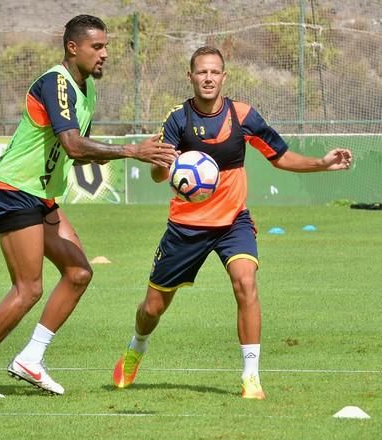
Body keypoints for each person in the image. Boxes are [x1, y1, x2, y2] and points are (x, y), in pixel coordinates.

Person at [0, 14, 177, 398]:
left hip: (42, 196)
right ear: (73, 47)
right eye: (97, 47)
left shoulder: (87, 90)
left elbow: (78, 151)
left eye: (106, 46)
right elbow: (72, 144)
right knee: (28, 289)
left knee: (78, 273)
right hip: (14, 189)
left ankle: (30, 359)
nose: (105, 54)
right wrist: (129, 150)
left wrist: (116, 154)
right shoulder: (56, 82)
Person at [112, 46, 353, 399]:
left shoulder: (243, 116)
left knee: (246, 283)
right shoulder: (177, 119)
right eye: (201, 72)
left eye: (214, 72)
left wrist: (322, 163)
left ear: (224, 77)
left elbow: (280, 157)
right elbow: (155, 175)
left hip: (232, 222)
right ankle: (137, 348)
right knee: (152, 308)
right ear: (190, 77)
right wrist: (162, 163)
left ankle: (251, 376)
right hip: (186, 227)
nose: (208, 78)